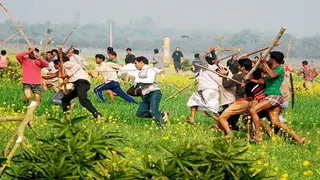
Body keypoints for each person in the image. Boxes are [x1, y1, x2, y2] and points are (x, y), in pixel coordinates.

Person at [249, 51, 306, 144]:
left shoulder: (279, 69)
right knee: (276, 122)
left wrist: (264, 62)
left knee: (252, 110)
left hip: (274, 96)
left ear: (273, 59)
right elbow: (263, 82)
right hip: (270, 96)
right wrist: (250, 79)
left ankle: (258, 136)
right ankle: (299, 140)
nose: (268, 60)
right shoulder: (270, 68)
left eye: (270, 58)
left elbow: (271, 75)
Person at [60, 54, 102, 119]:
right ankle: (66, 117)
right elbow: (72, 79)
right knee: (65, 99)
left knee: (83, 100)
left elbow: (77, 66)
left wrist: (67, 75)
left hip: (82, 83)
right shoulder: (65, 68)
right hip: (79, 84)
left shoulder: (66, 64)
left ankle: (98, 115)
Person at [218, 58, 251, 137]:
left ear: (243, 67)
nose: (238, 66)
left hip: (241, 102)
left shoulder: (238, 76)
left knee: (222, 118)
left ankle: (229, 135)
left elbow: (226, 85)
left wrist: (223, 76)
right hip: (253, 101)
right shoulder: (253, 75)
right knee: (251, 119)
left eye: (239, 65)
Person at [132, 56, 168, 128]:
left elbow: (150, 80)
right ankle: (161, 114)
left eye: (136, 63)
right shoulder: (140, 71)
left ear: (141, 62)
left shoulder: (149, 69)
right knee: (140, 113)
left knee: (154, 112)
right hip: (146, 95)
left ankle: (163, 128)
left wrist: (137, 80)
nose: (135, 65)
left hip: (154, 93)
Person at [186, 53, 221, 126]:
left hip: (210, 91)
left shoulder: (207, 67)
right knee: (194, 101)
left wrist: (209, 52)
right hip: (204, 91)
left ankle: (221, 123)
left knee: (214, 109)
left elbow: (201, 56)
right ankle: (192, 118)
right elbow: (215, 60)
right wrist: (213, 53)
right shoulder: (213, 67)